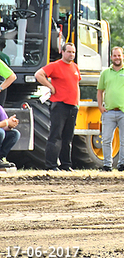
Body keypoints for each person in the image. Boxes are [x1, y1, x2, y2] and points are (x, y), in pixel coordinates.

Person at [34, 42, 80, 172]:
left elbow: (76, 85)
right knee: (56, 136)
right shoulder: (55, 65)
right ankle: (51, 165)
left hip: (72, 106)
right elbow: (38, 74)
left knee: (68, 137)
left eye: (73, 52)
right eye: (69, 52)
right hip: (60, 105)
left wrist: (78, 102)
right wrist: (50, 87)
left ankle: (66, 164)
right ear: (63, 52)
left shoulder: (75, 67)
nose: (71, 54)